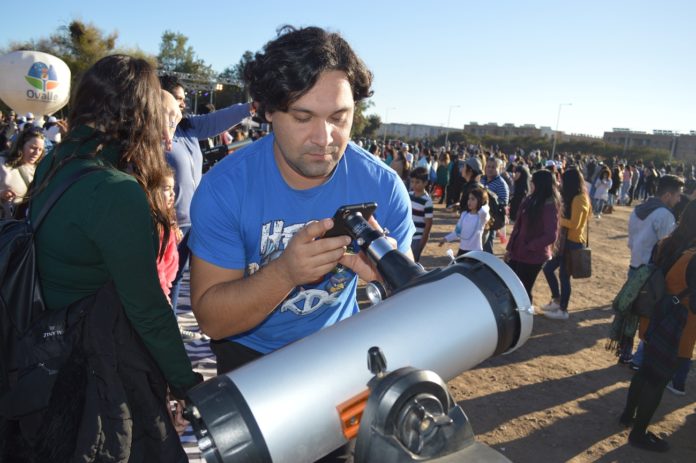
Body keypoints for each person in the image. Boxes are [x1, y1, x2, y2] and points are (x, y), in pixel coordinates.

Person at [188, 26, 414, 376]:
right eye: (303, 117)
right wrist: (285, 273)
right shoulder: (225, 189)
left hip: (340, 352)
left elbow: (410, 306)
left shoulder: (382, 186)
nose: (324, 138)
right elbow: (213, 321)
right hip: (250, 357)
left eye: (339, 117)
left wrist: (384, 278)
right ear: (267, 112)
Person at [9, 55, 201, 461]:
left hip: (43, 357)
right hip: (94, 374)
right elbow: (146, 308)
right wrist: (186, 383)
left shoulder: (55, 162)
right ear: (140, 113)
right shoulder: (115, 190)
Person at [160, 74, 253, 311]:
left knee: (179, 280)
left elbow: (217, 119)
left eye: (183, 99)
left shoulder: (190, 128)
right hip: (167, 225)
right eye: (177, 99)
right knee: (161, 284)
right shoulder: (153, 134)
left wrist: (251, 107)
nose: (182, 104)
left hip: (193, 223)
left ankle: (172, 328)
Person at [620, 200, 696, 452]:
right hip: (677, 326)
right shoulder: (693, 256)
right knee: (658, 377)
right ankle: (639, 433)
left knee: (644, 371)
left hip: (653, 316)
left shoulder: (668, 243)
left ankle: (628, 415)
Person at [620, 174, 685, 365]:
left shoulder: (638, 209)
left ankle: (624, 353)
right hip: (652, 273)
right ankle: (639, 359)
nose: (679, 199)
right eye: (678, 195)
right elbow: (666, 248)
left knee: (631, 313)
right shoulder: (664, 215)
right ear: (667, 195)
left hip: (634, 267)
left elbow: (631, 242)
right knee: (650, 316)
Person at [504, 169, 560, 305]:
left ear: (540, 184)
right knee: (510, 284)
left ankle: (524, 319)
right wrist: (510, 248)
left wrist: (530, 246)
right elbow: (518, 226)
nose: (530, 184)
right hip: (518, 252)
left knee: (523, 289)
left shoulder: (549, 205)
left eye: (533, 182)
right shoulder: (530, 199)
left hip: (533, 256)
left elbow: (551, 235)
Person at [541, 168, 590, 320]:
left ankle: (563, 310)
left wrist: (557, 219)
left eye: (563, 180)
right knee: (548, 269)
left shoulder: (579, 199)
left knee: (564, 277)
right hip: (564, 243)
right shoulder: (575, 197)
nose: (561, 183)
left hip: (572, 243)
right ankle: (556, 300)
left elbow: (575, 225)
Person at [0, 127, 45, 218]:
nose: (37, 153)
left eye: (40, 150)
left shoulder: (39, 170)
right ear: (21, 145)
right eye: (33, 148)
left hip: (18, 225)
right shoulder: (2, 162)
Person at [439, 186, 489, 255]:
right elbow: (457, 233)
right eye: (469, 199)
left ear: (480, 201)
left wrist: (485, 201)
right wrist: (446, 239)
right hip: (462, 250)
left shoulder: (481, 217)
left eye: (473, 199)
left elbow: (485, 211)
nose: (469, 201)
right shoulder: (464, 214)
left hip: (476, 252)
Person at [481, 157, 509, 253]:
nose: (490, 169)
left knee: (487, 245)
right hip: (479, 216)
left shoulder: (501, 184)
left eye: (493, 167)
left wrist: (491, 199)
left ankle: (487, 265)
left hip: (490, 219)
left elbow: (504, 202)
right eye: (488, 166)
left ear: (499, 169)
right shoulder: (482, 179)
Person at [408, 167, 433, 262]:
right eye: (412, 181)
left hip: (417, 238)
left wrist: (422, 242)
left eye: (417, 182)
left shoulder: (427, 201)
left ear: (425, 183)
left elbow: (428, 224)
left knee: (412, 263)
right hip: (407, 235)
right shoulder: (409, 195)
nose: (414, 184)